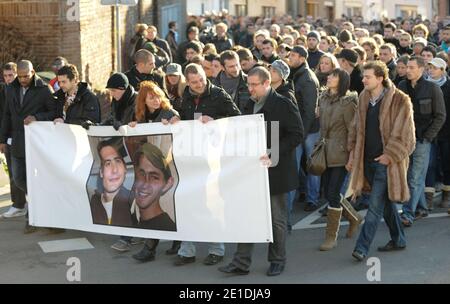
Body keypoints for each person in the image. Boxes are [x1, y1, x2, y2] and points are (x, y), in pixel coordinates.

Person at [219, 67, 304, 276]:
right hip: (253, 171)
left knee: (277, 220)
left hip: (277, 172)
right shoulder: (249, 105)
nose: (250, 89)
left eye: (254, 85)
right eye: (248, 84)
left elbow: (297, 134)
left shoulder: (283, 104)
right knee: (247, 216)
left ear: (266, 83)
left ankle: (277, 260)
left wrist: (273, 152)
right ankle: (241, 262)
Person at [170, 64, 241, 267]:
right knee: (187, 204)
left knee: (212, 204)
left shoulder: (219, 94)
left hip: (214, 158)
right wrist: (177, 118)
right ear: (188, 82)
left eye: (201, 79)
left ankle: (216, 249)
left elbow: (238, 120)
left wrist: (215, 120)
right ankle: (187, 251)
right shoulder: (186, 95)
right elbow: (184, 119)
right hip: (190, 158)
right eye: (194, 82)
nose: (199, 84)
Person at [348, 61, 415, 261]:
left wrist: (389, 156)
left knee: (374, 206)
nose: (363, 80)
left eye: (368, 76)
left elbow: (407, 136)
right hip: (366, 160)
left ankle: (361, 247)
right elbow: (355, 127)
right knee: (386, 205)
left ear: (380, 78)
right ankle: (399, 239)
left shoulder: (400, 100)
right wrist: (352, 153)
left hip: (386, 163)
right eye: (363, 76)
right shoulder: (363, 98)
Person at [0, 60, 57, 233]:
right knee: (18, 179)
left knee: (35, 180)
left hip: (37, 143)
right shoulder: (10, 88)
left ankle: (34, 217)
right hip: (16, 141)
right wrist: (2, 139)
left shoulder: (44, 89)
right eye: (21, 76)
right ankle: (40, 205)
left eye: (26, 76)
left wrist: (36, 117)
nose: (23, 79)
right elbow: (7, 114)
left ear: (33, 72)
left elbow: (55, 113)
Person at [127, 81, 180, 262]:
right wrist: (133, 128)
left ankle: (159, 245)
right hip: (151, 168)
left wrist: (173, 123)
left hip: (169, 166)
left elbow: (178, 122)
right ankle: (152, 247)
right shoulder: (141, 117)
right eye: (151, 97)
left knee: (167, 204)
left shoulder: (168, 112)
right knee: (154, 204)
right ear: (144, 101)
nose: (156, 100)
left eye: (158, 95)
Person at [316, 68, 361, 251]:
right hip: (325, 151)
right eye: (329, 75)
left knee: (333, 193)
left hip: (342, 152)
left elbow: (354, 130)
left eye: (333, 76)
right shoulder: (323, 98)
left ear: (342, 80)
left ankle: (330, 237)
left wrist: (352, 156)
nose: (329, 77)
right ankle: (355, 218)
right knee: (330, 192)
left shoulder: (348, 102)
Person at [398, 56, 446, 227]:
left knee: (415, 178)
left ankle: (408, 213)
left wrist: (428, 137)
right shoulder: (402, 86)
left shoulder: (432, 88)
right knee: (408, 176)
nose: (407, 70)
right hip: (404, 139)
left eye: (411, 67)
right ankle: (422, 207)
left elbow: (440, 116)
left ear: (421, 69)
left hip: (422, 140)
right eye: (406, 67)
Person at [288, 46, 321, 212]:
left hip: (309, 131)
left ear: (302, 58)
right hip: (300, 129)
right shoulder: (297, 74)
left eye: (293, 55)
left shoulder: (307, 78)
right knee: (295, 166)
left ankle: (312, 199)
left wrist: (302, 133)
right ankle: (301, 194)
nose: (289, 58)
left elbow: (309, 110)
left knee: (312, 166)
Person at [0, 62, 27, 218]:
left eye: (11, 75)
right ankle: (18, 204)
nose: (8, 78)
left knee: (23, 173)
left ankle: (24, 203)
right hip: (9, 137)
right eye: (5, 75)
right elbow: (3, 116)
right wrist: (2, 139)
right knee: (13, 172)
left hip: (24, 136)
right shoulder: (4, 90)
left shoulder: (22, 90)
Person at [131, 143, 176, 231]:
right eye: (141, 173)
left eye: (154, 177)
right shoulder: (133, 220)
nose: (145, 183)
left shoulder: (167, 229)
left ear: (167, 184)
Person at [424, 58, 450, 210]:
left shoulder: (448, 86)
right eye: (430, 67)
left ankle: (447, 195)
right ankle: (428, 197)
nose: (431, 70)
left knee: (447, 164)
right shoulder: (425, 85)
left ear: (442, 70)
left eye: (435, 68)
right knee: (430, 165)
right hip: (429, 132)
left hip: (446, 132)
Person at [90, 139, 133, 227]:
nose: (114, 170)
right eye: (108, 163)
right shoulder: (93, 203)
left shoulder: (135, 203)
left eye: (118, 161)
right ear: (101, 172)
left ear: (125, 168)